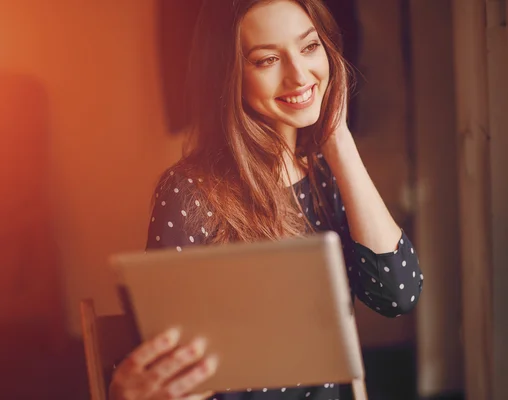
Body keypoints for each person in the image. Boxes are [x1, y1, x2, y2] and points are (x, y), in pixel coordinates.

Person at [109, 0, 423, 399]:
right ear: (229, 75)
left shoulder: (326, 174)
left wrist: (339, 142)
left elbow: (397, 292)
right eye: (267, 59)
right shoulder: (190, 192)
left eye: (309, 47)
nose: (299, 75)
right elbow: (159, 364)